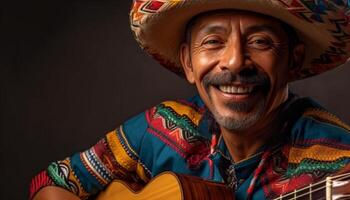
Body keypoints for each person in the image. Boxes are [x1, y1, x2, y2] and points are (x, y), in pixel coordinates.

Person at [30, 1, 350, 200]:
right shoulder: (164, 128)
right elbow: (54, 182)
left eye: (260, 41)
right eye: (213, 42)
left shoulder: (337, 160)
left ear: (293, 61)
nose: (235, 62)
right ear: (188, 63)